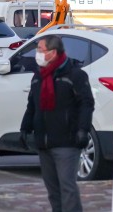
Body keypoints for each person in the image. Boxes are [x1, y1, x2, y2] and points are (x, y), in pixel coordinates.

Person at [19, 36, 95, 212]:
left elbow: (86, 103)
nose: (37, 54)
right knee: (52, 190)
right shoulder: (38, 76)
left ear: (52, 53)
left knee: (67, 187)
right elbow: (32, 104)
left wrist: (83, 129)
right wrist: (25, 127)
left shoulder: (75, 75)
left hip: (66, 140)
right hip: (44, 140)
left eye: (40, 50)